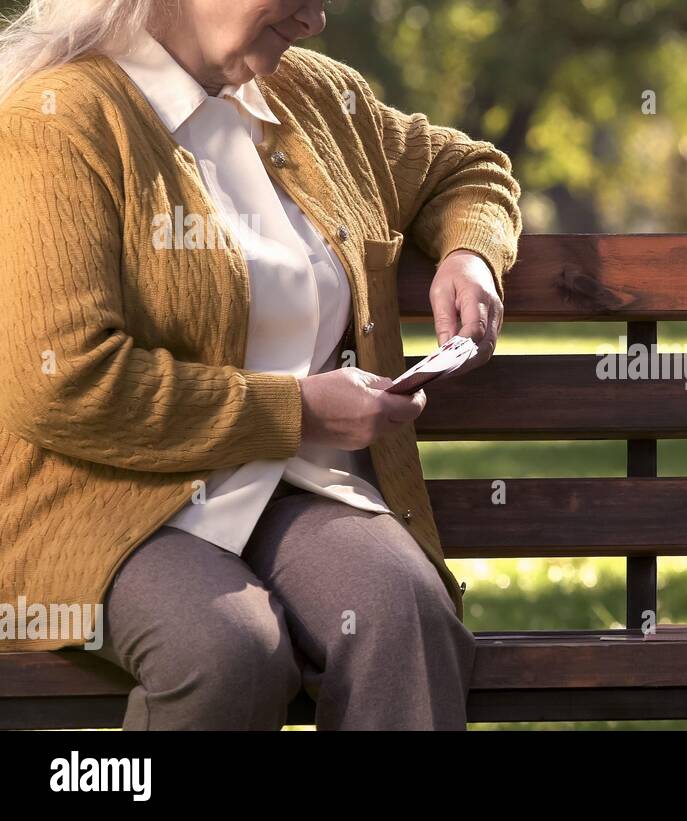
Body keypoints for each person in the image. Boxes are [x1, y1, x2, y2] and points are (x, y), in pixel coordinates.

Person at [0, 0, 522, 730]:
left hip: (296, 486)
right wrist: (299, 409)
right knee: (229, 651)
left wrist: (471, 252)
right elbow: (63, 383)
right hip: (110, 498)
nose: (317, 20)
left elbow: (467, 168)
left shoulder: (312, 96)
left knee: (402, 611)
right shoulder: (58, 120)